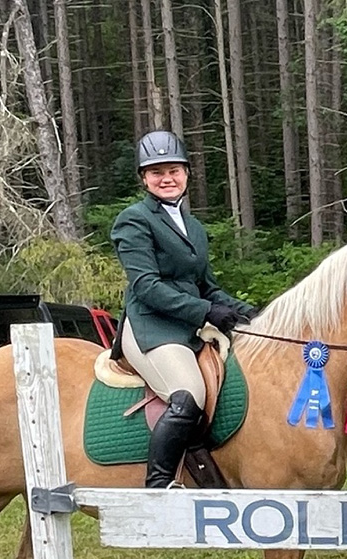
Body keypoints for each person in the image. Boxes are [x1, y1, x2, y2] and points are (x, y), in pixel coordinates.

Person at [111, 130, 257, 488]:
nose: (167, 178)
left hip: (187, 326)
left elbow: (206, 287)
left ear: (186, 174)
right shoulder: (134, 220)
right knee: (189, 392)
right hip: (151, 327)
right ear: (144, 179)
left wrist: (249, 311)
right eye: (157, 172)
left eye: (174, 170)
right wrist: (206, 312)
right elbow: (147, 287)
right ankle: (158, 485)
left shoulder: (193, 227)